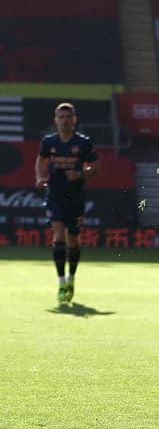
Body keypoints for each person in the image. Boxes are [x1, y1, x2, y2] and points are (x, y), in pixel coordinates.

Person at [34, 102, 100, 304]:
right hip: (55, 195)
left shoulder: (84, 142)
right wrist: (39, 176)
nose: (64, 121)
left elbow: (95, 168)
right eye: (60, 117)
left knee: (73, 240)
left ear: (74, 120)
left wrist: (80, 173)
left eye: (67, 117)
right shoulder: (48, 142)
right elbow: (41, 160)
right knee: (59, 232)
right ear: (55, 120)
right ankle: (61, 282)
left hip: (76, 197)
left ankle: (71, 278)